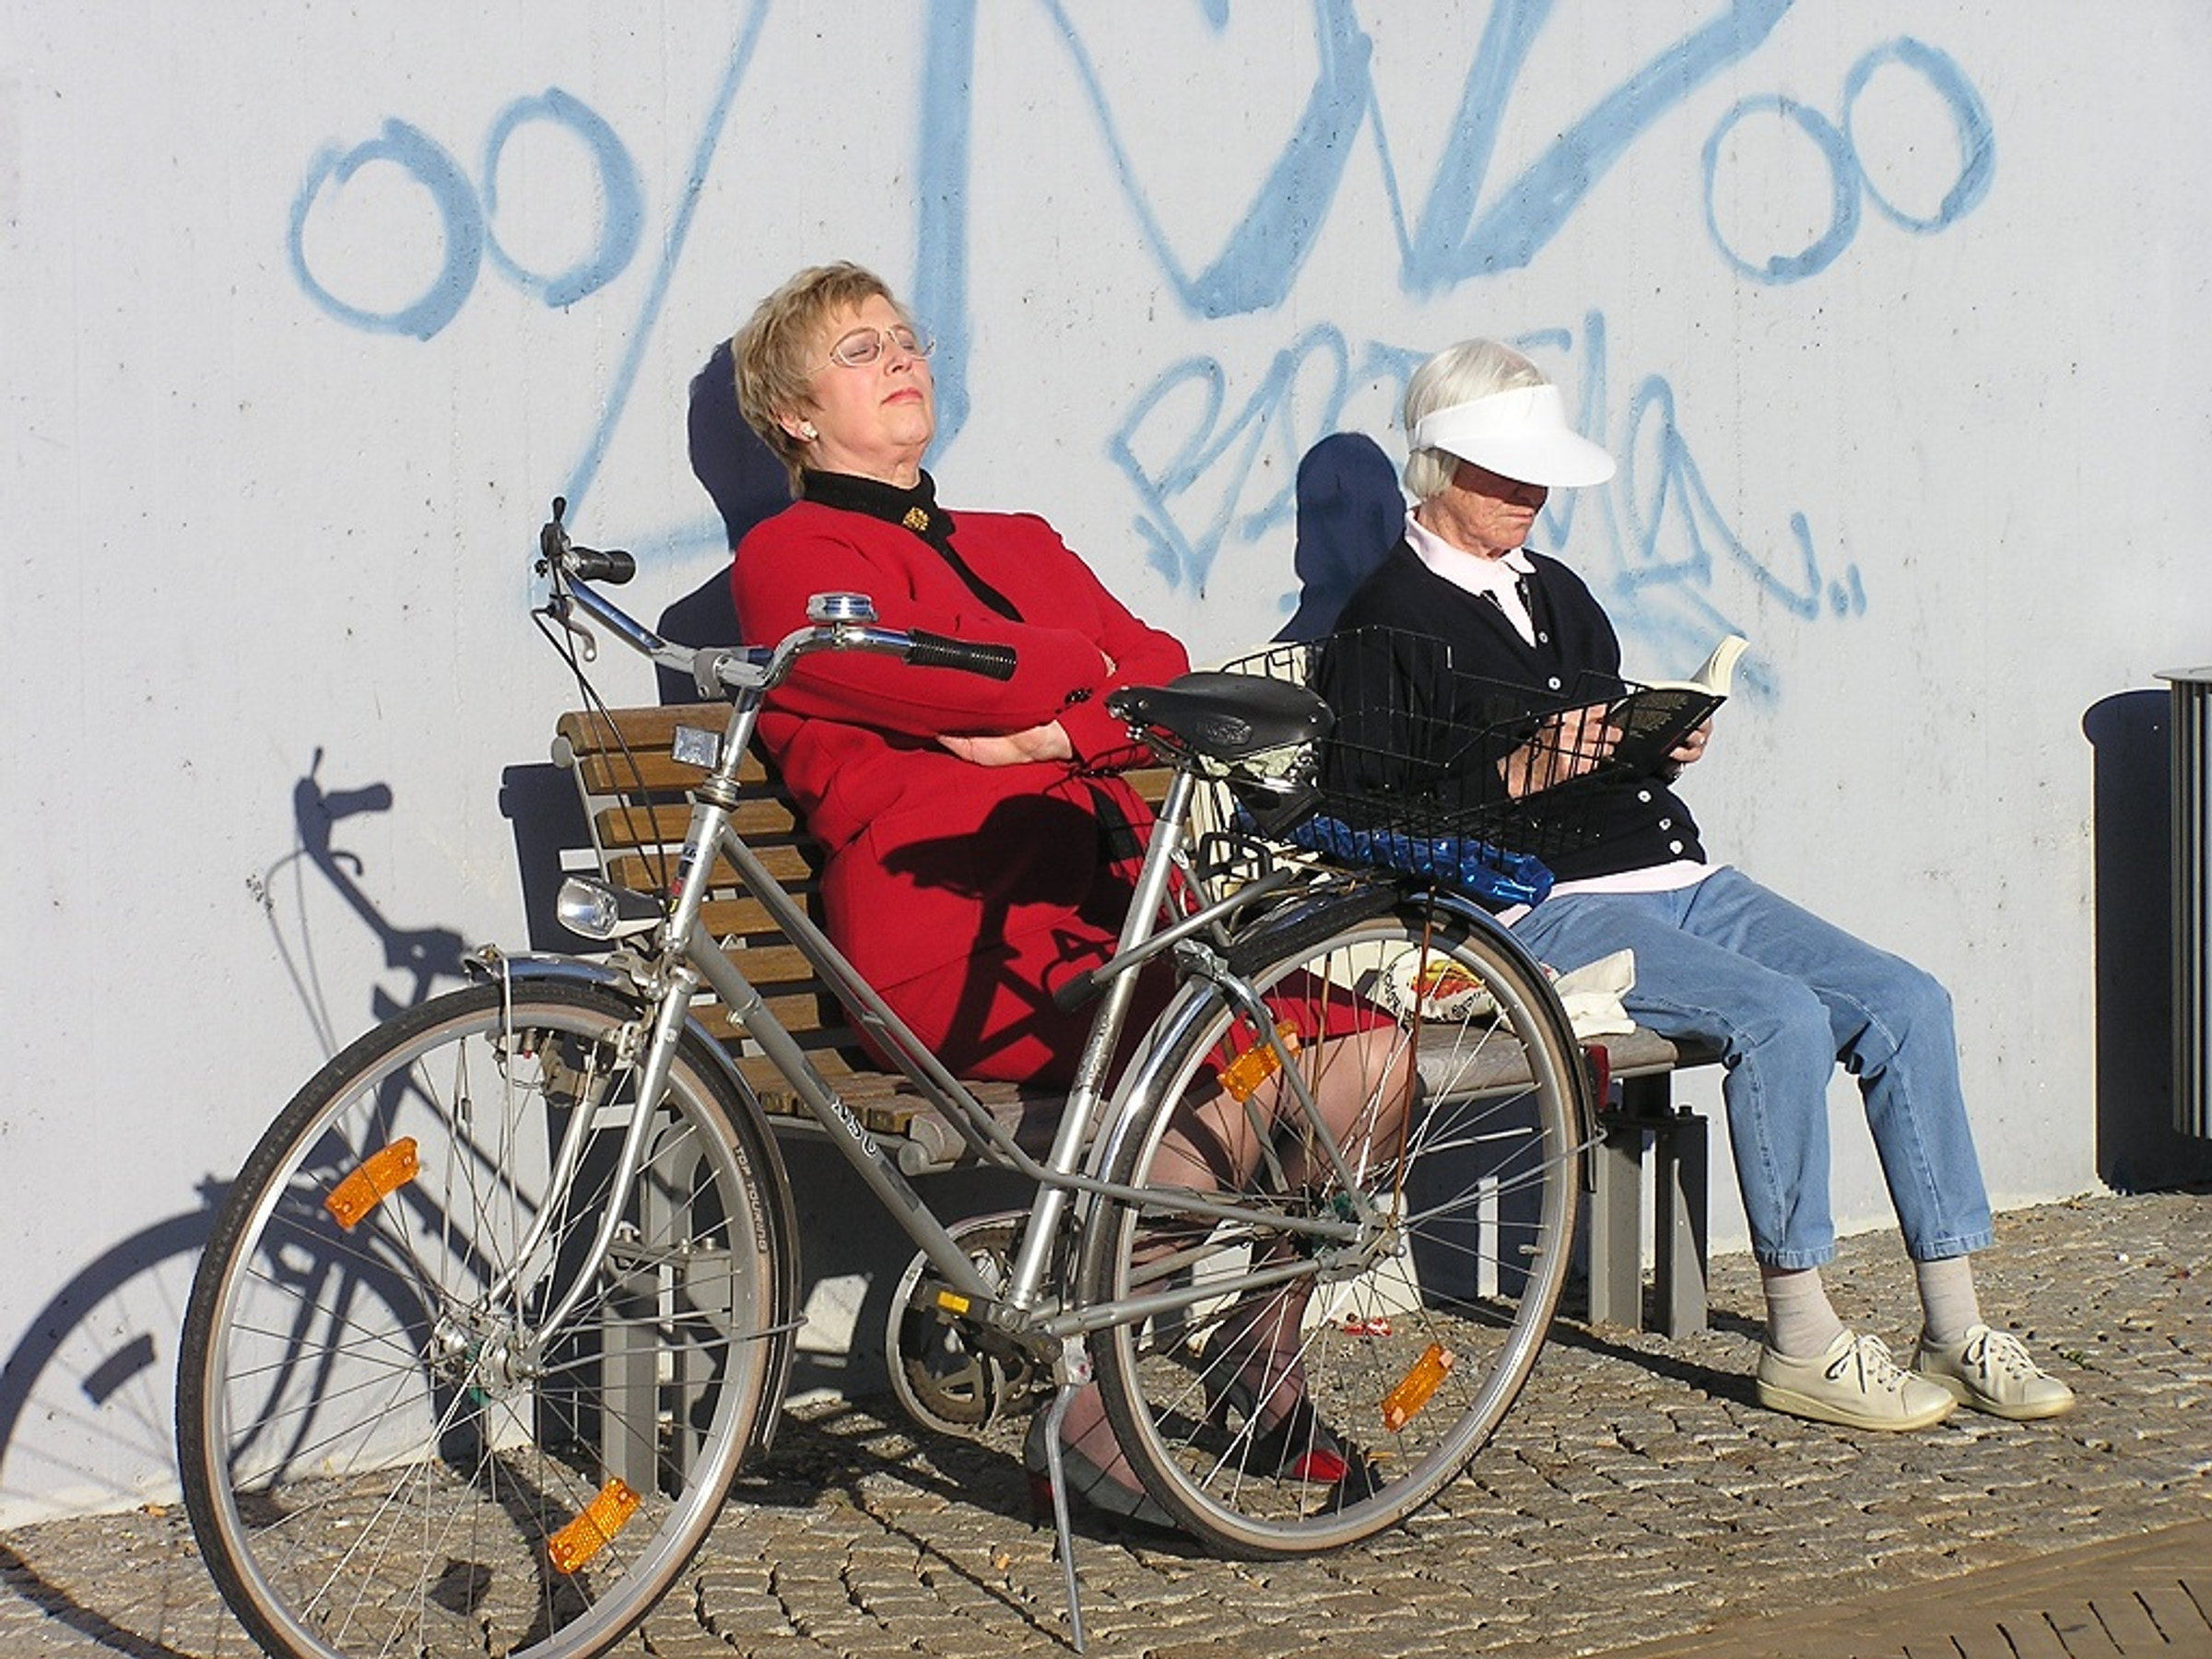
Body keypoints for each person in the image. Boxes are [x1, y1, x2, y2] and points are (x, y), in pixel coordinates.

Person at [726, 261, 1406, 1524]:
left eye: (906, 340)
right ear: (795, 417)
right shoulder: (791, 559)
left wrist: (1052, 735)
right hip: (947, 945)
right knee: (1203, 1088)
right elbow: (938, 679)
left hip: (1118, 924)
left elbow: (1157, 674)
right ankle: (1091, 1408)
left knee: (1369, 1063)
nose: (902, 362)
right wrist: (1067, 676)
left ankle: (1260, 1372)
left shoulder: (1016, 540)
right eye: (861, 350)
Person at [1321, 337, 2074, 1432]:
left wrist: (1649, 744)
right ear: (1440, 471)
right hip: (1539, 901)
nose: (1533, 494)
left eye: (1541, 473)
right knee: (1777, 1016)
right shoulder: (1384, 618)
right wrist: (1519, 770)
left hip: (1676, 869)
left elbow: (1591, 740)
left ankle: (1953, 1321)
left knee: (1910, 1001)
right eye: (1509, 472)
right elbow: (1371, 815)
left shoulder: (1559, 594)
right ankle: (1804, 1337)